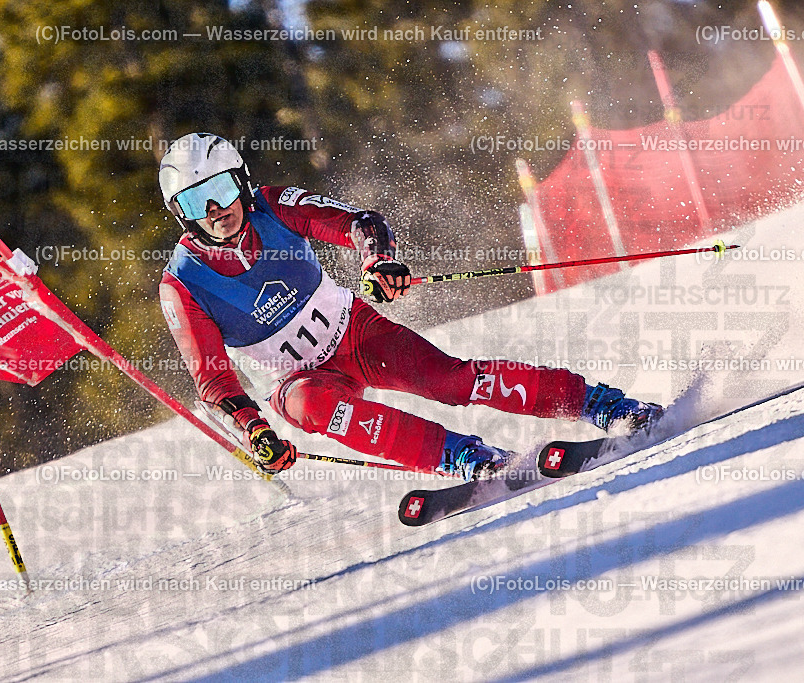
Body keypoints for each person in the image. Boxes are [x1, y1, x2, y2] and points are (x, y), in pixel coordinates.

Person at [157, 133, 661, 480]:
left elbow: (360, 222)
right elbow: (214, 382)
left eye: (221, 189)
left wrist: (377, 262)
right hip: (298, 382)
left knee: (451, 379)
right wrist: (255, 431)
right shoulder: (184, 283)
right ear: (180, 213)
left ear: (240, 181)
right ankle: (460, 456)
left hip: (355, 333)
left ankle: (597, 403)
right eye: (197, 201)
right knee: (311, 406)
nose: (217, 209)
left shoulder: (272, 205)